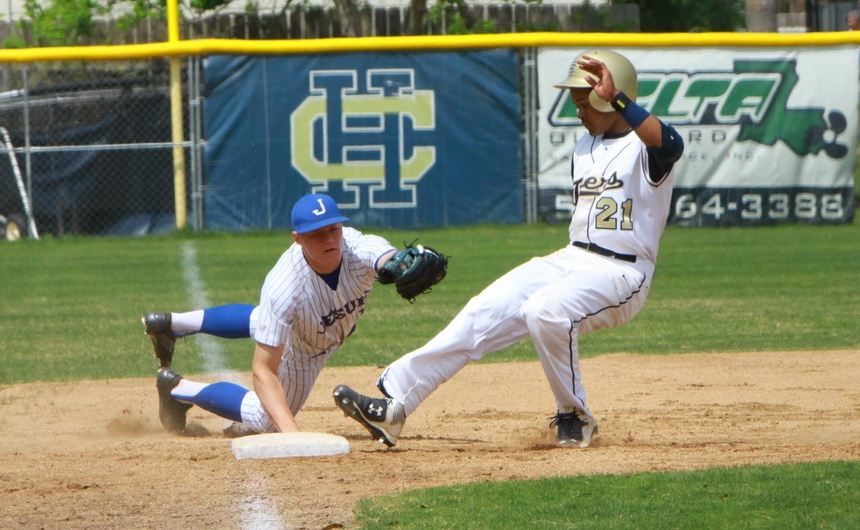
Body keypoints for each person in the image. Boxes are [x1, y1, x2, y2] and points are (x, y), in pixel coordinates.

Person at [333, 50, 685, 449]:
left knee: (545, 311)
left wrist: (620, 99)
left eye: (585, 102)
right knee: (484, 310)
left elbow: (671, 144)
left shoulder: (647, 148)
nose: (579, 111)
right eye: (577, 103)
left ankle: (574, 416)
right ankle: (395, 404)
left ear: (611, 97)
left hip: (622, 273)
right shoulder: (584, 148)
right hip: (573, 258)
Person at [147, 193, 444, 435]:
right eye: (317, 234)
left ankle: (174, 324)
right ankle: (178, 388)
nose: (329, 240)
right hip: (303, 350)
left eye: (333, 229)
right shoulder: (284, 287)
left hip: (316, 321)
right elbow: (263, 371)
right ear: (297, 238)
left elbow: (386, 258)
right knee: (265, 420)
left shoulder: (357, 246)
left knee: (265, 319)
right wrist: (292, 434)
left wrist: (403, 262)